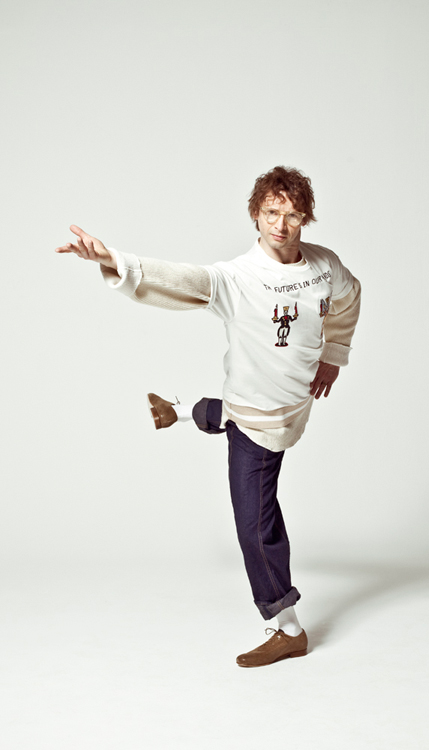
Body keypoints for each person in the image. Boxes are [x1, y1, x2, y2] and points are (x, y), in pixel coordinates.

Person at [55, 166, 361, 668]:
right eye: (270, 213)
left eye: (291, 215)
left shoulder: (324, 266)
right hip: (256, 416)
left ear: (305, 217)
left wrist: (334, 353)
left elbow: (349, 297)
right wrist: (114, 260)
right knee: (254, 510)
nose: (280, 225)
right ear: (255, 214)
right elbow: (183, 279)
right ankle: (287, 627)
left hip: (290, 407)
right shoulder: (238, 278)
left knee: (236, 450)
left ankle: (175, 411)